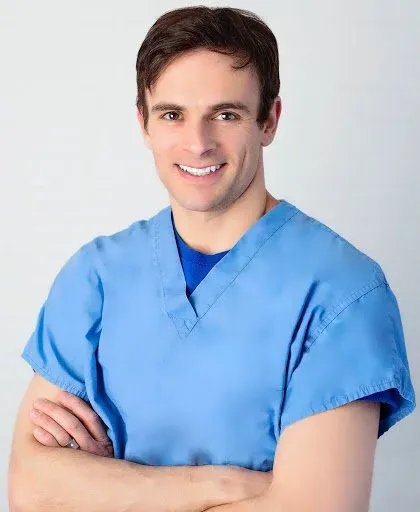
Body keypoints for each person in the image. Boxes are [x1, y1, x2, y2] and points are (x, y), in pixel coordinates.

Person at [8, 6, 416, 512]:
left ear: (269, 120)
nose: (198, 144)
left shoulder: (341, 294)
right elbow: (30, 492)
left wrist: (104, 488)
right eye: (172, 115)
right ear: (143, 123)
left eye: (226, 115)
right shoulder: (96, 278)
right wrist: (225, 486)